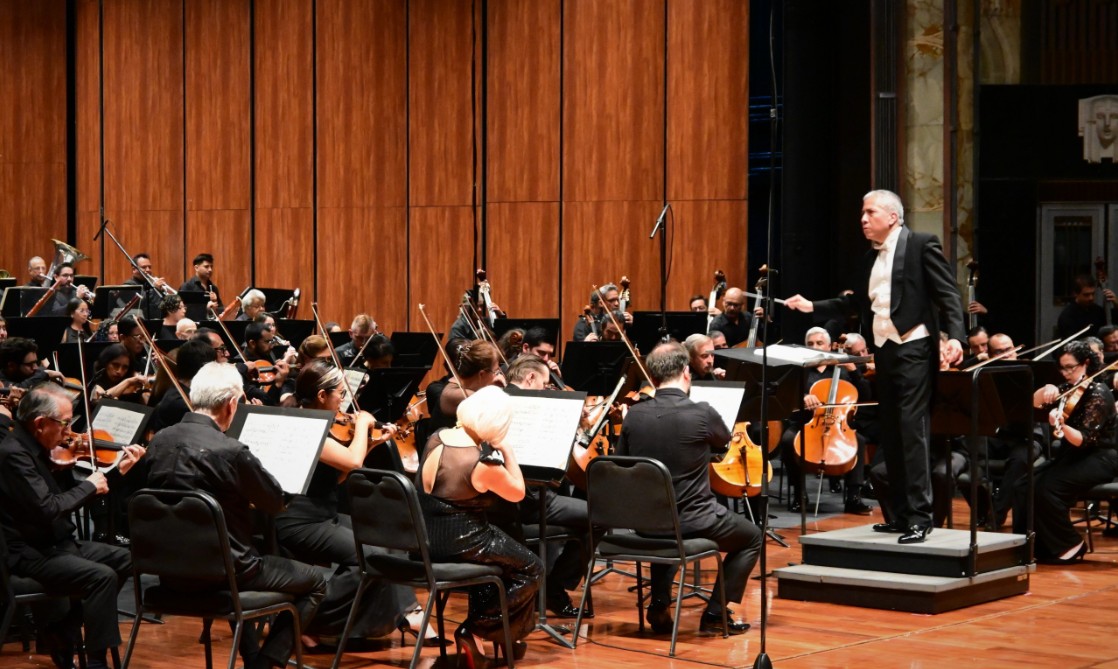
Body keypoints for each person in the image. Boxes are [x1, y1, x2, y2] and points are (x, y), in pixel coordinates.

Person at [784, 189, 965, 544]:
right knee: (893, 433)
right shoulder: (869, 258)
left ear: (892, 216)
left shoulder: (921, 244)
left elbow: (949, 294)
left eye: (869, 212)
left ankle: (920, 517)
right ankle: (898, 516)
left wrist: (956, 336)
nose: (863, 219)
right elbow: (850, 303)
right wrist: (811, 307)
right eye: (861, 213)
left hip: (913, 347)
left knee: (913, 431)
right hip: (884, 353)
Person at [145, 362, 327, 669]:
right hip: (225, 576)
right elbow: (274, 502)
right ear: (232, 404)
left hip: (168, 574)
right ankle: (265, 664)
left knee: (230, 549)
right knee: (316, 581)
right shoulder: (230, 451)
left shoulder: (158, 441)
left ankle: (254, 657)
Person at [277, 360, 436, 644]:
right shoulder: (306, 425)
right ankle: (303, 617)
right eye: (339, 393)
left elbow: (337, 476)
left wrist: (373, 442)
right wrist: (363, 424)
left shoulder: (324, 422)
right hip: (302, 520)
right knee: (370, 555)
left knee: (386, 537)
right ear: (322, 396)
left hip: (322, 512)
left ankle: (408, 611)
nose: (344, 400)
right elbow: (352, 460)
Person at [616, 342, 761, 635]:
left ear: (654, 378)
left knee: (664, 516)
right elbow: (723, 443)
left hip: (646, 521)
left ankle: (659, 603)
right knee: (752, 538)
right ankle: (716, 613)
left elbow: (623, 462)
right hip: (694, 519)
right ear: (686, 371)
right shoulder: (702, 412)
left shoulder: (634, 415)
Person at [0, 383, 146, 669]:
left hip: (56, 543)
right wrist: (90, 485)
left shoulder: (41, 449)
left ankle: (64, 627)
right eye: (65, 424)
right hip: (29, 553)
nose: (70, 433)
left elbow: (75, 499)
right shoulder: (13, 455)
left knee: (126, 559)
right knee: (101, 577)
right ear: (40, 423)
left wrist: (115, 473)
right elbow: (49, 509)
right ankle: (95, 662)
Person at [417, 385, 542, 664]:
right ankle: (477, 628)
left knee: (500, 566)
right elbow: (517, 492)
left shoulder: (436, 437)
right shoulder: (480, 463)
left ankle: (497, 637)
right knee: (532, 568)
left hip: (428, 538)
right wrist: (507, 450)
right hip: (465, 540)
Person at [504, 354, 598, 618]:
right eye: (545, 384)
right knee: (601, 516)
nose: (546, 390)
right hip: (532, 499)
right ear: (531, 377)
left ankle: (547, 587)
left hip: (501, 502)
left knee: (582, 511)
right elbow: (556, 463)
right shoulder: (534, 407)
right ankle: (554, 587)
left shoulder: (497, 400)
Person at [1021, 341, 1118, 563]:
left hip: (1099, 457)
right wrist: (1045, 390)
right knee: (1025, 484)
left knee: (1047, 489)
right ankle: (1032, 545)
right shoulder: (1068, 388)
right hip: (1074, 455)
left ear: (1085, 363)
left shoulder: (1099, 392)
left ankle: (1071, 544)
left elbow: (1082, 440)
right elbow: (1033, 404)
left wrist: (1061, 424)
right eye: (1061, 368)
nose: (1065, 373)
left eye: (1070, 367)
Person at [779, 327, 873, 515]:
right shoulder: (799, 370)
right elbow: (785, 395)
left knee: (859, 441)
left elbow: (865, 395)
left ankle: (853, 498)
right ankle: (800, 494)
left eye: (819, 343)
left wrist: (854, 371)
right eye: (810, 344)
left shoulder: (842, 370)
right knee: (788, 441)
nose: (815, 347)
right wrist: (803, 396)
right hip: (804, 423)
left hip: (838, 425)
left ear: (830, 346)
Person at [1057, 275, 1114, 340]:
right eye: (1086, 295)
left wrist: (1115, 303)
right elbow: (1071, 342)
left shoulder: (1098, 311)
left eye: (1093, 294)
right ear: (1075, 294)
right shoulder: (1067, 316)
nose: (1091, 298)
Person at [123, 253, 172, 320]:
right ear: (134, 269)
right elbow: (141, 302)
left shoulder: (150, 283)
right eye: (144, 267)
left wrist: (162, 292)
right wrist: (155, 289)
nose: (148, 270)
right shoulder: (128, 285)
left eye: (149, 267)